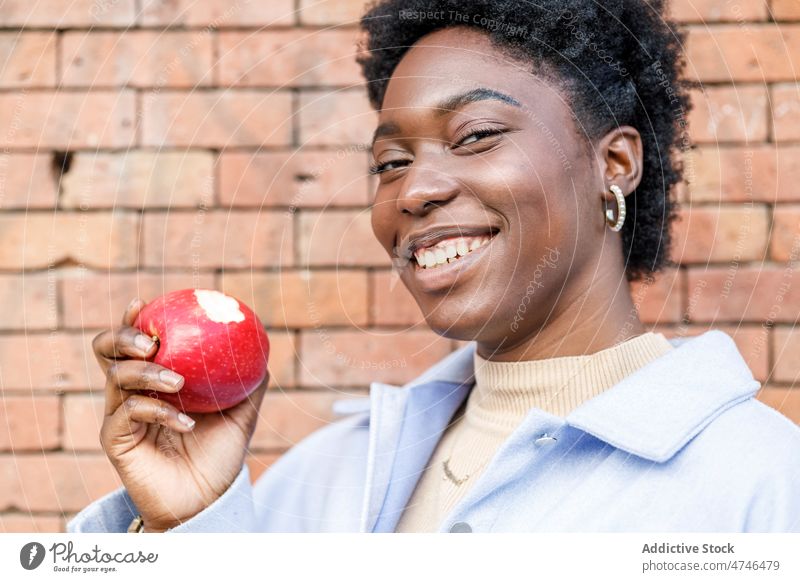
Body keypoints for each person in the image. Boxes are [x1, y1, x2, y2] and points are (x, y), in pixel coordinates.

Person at [68, 0, 800, 533]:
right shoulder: (319, 482)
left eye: (476, 135)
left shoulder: (761, 485)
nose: (414, 191)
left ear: (613, 163)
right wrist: (190, 526)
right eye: (391, 161)